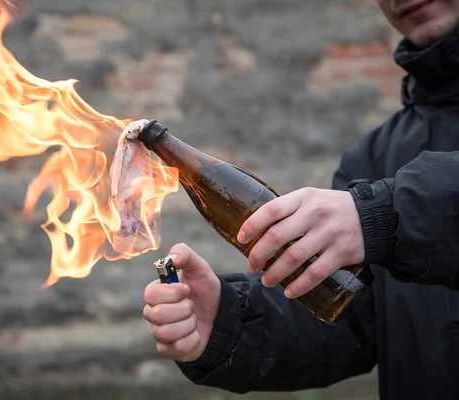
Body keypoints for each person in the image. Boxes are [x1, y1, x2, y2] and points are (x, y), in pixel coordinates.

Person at [142, 1, 459, 399]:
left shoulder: (378, 191)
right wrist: (226, 319)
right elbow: (348, 318)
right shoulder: (377, 155)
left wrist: (387, 215)